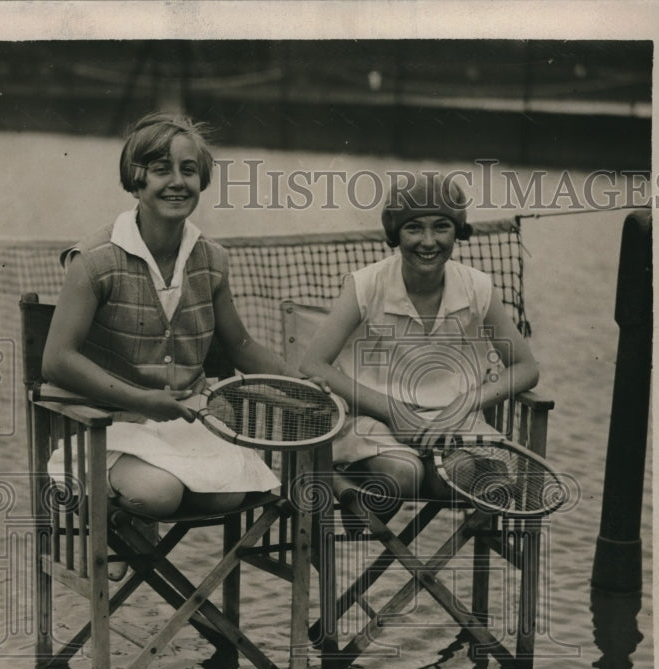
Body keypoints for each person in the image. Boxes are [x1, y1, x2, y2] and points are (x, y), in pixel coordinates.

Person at [43, 111, 308, 534]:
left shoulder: (212, 259)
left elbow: (240, 346)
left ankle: (131, 520)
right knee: (157, 495)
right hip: (107, 427)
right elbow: (56, 360)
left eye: (189, 170)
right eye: (161, 169)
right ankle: (107, 513)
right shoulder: (93, 259)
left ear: (202, 181)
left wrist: (301, 384)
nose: (177, 182)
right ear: (136, 178)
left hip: (184, 427)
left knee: (229, 495)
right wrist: (142, 400)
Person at [299, 172, 540, 507]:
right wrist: (392, 410)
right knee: (403, 475)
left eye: (441, 226)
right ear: (395, 233)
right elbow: (313, 364)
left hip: (456, 425)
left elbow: (526, 367)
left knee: (461, 477)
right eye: (414, 227)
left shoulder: (477, 287)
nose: (428, 241)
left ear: (458, 231)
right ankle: (348, 484)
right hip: (374, 421)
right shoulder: (365, 285)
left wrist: (463, 404)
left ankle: (370, 495)